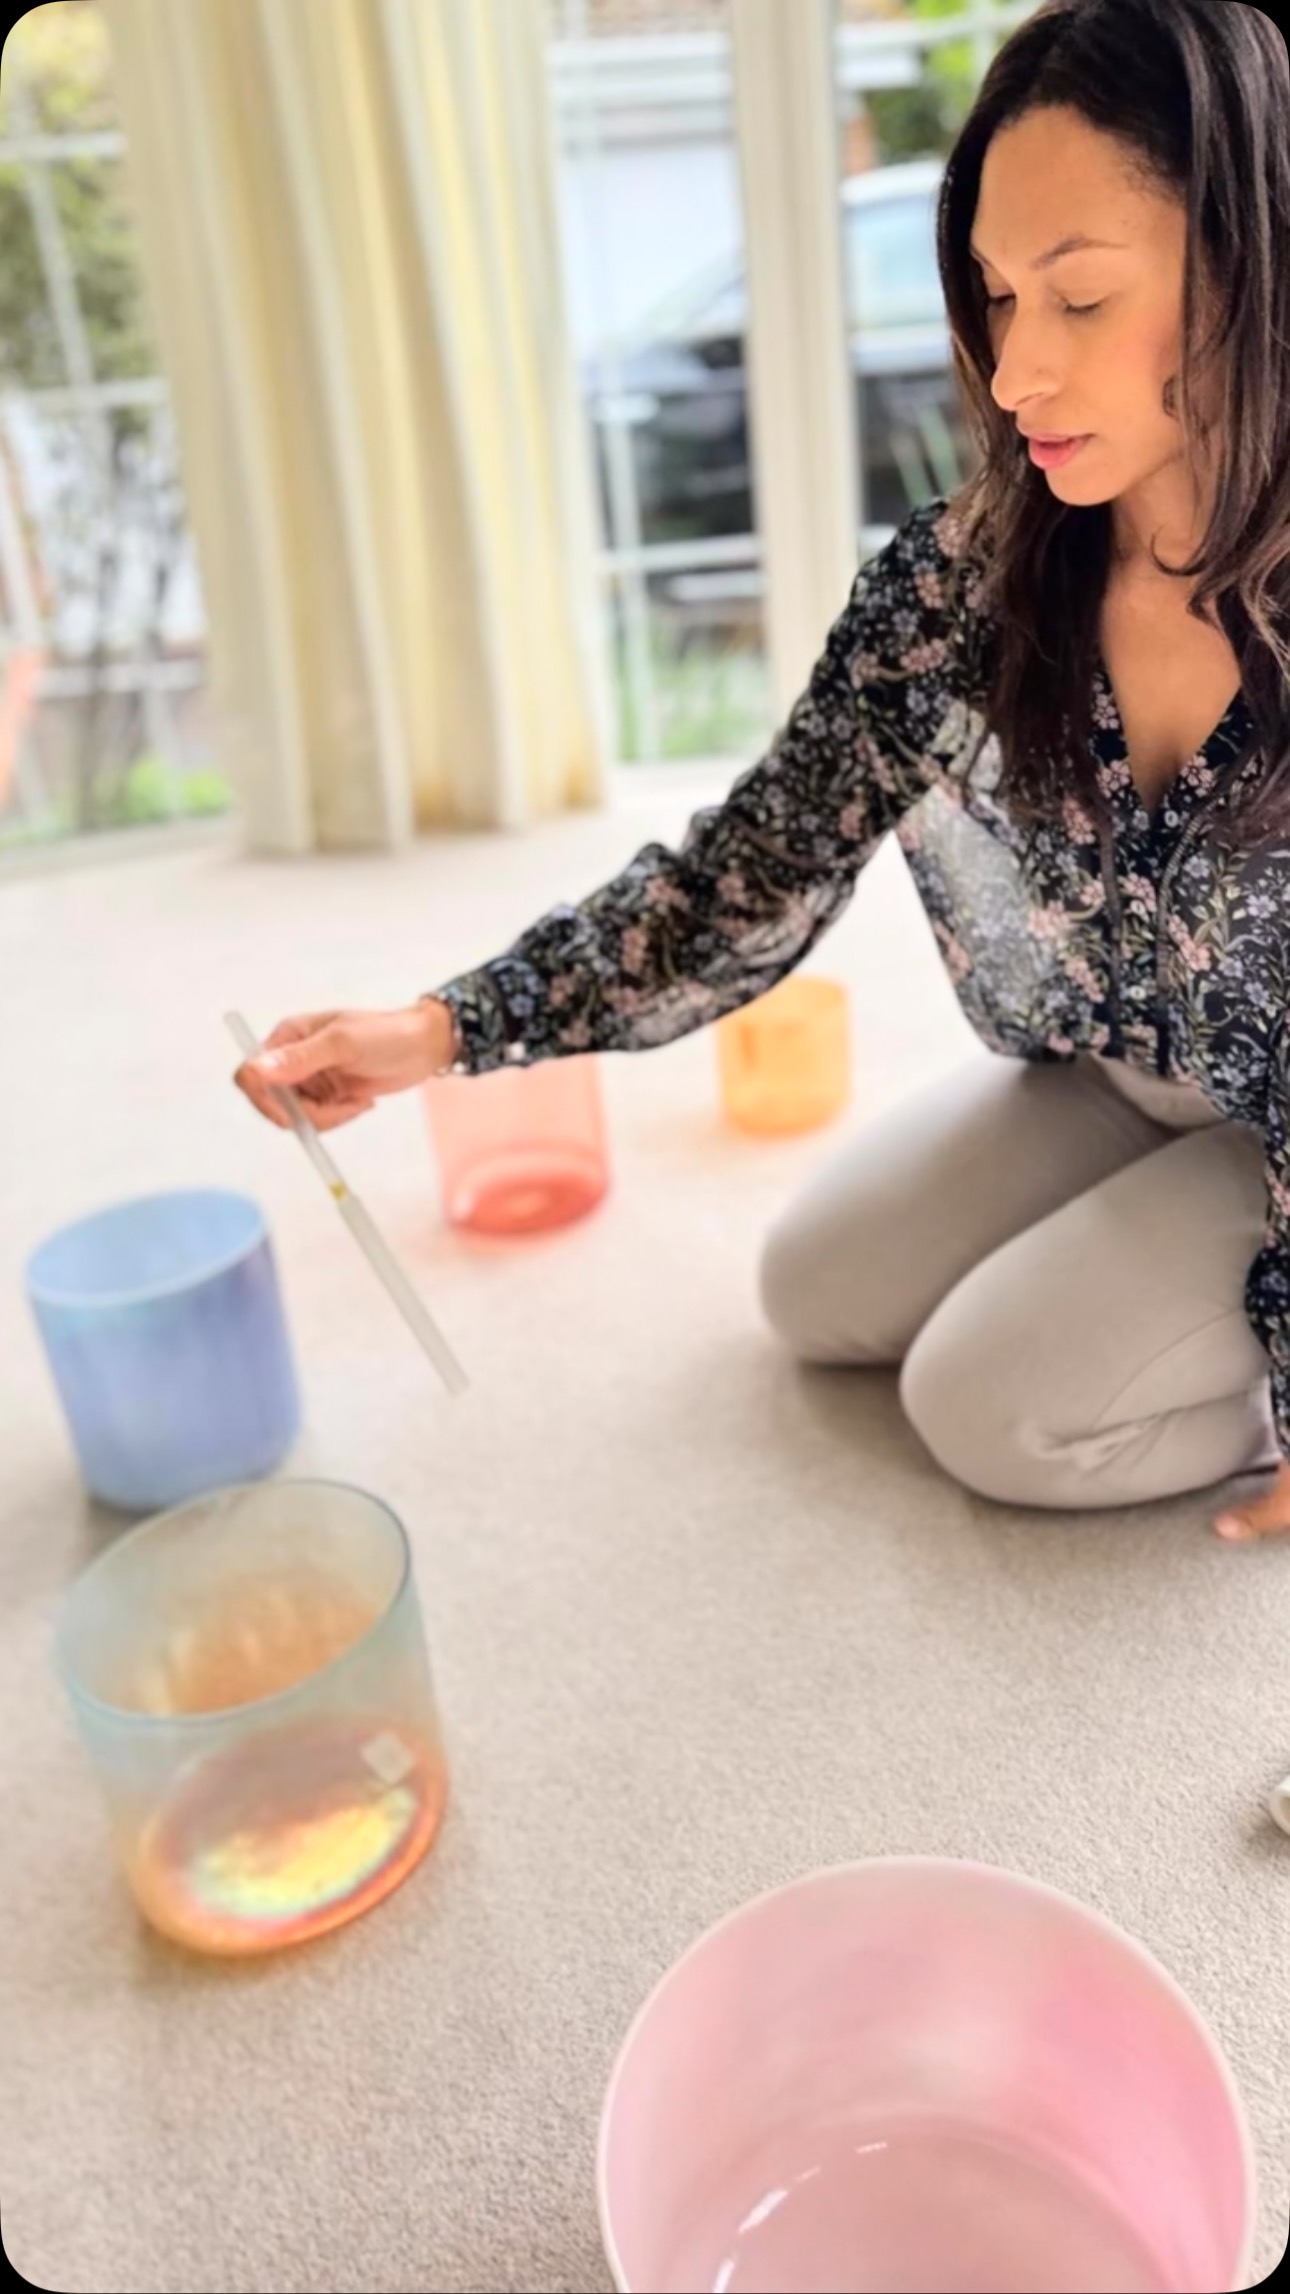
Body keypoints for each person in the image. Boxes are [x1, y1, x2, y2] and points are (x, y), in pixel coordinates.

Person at [235, 0, 1290, 1542]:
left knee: (989, 1405)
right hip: (1108, 1071)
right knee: (819, 1289)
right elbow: (751, 870)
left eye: (1077, 298)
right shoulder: (962, 587)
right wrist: (442, 1028)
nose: (1012, 373)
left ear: (1251, 271)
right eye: (998, 298)